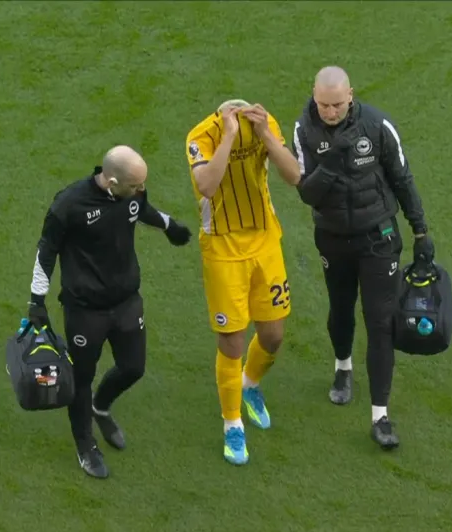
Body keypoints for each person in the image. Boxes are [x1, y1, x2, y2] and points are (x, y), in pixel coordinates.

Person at [291, 66, 437, 450]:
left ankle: (380, 415)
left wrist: (421, 231)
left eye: (338, 105)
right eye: (324, 105)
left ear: (351, 95)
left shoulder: (377, 125)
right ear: (314, 96)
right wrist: (332, 162)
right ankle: (343, 367)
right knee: (341, 310)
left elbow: (403, 179)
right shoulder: (303, 131)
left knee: (380, 321)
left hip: (378, 237)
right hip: (333, 238)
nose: (330, 112)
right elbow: (307, 193)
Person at [26, 145, 193, 478]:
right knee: (82, 378)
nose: (141, 189)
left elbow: (140, 208)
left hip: (126, 302)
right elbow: (46, 251)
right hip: (85, 311)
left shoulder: (130, 192)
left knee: (133, 368)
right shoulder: (69, 205)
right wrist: (36, 301)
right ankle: (85, 445)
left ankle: (100, 407)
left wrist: (169, 226)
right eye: (136, 185)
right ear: (112, 181)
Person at [184, 99, 301, 465]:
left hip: (266, 244)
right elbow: (207, 184)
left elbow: (294, 175)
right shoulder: (201, 136)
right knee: (232, 341)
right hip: (223, 251)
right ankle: (232, 423)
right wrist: (229, 137)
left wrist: (265, 134)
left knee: (273, 335)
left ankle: (250, 384)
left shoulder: (265, 123)